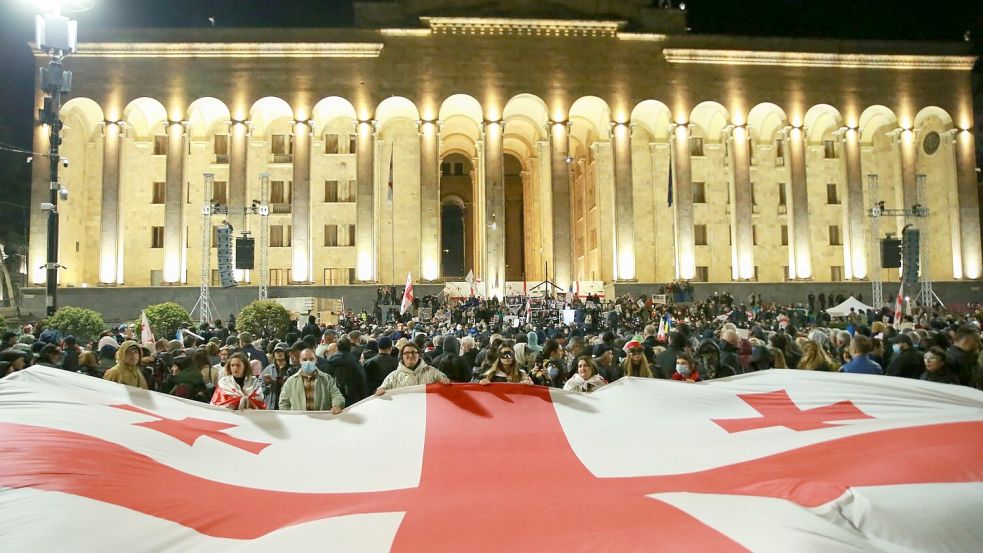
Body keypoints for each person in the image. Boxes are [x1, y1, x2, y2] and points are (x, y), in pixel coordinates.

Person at [279, 348, 345, 413]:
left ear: (316, 360)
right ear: (300, 361)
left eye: (311, 359)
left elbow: (336, 395)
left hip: (321, 419)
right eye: (304, 360)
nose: (308, 362)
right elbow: (284, 403)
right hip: (299, 419)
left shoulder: (327, 379)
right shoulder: (290, 382)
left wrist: (337, 405)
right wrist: (288, 417)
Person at [376, 343, 451, 395]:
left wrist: (444, 381)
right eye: (406, 353)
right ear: (402, 356)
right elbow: (382, 390)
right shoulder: (393, 376)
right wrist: (380, 390)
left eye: (413, 352)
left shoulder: (432, 371)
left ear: (419, 355)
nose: (410, 355)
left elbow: (444, 380)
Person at [259, 343, 292, 409]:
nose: (278, 353)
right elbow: (259, 387)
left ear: (286, 353)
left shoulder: (291, 369)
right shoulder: (268, 369)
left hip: (287, 404)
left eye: (281, 351)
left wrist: (286, 382)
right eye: (276, 352)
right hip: (271, 405)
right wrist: (266, 384)